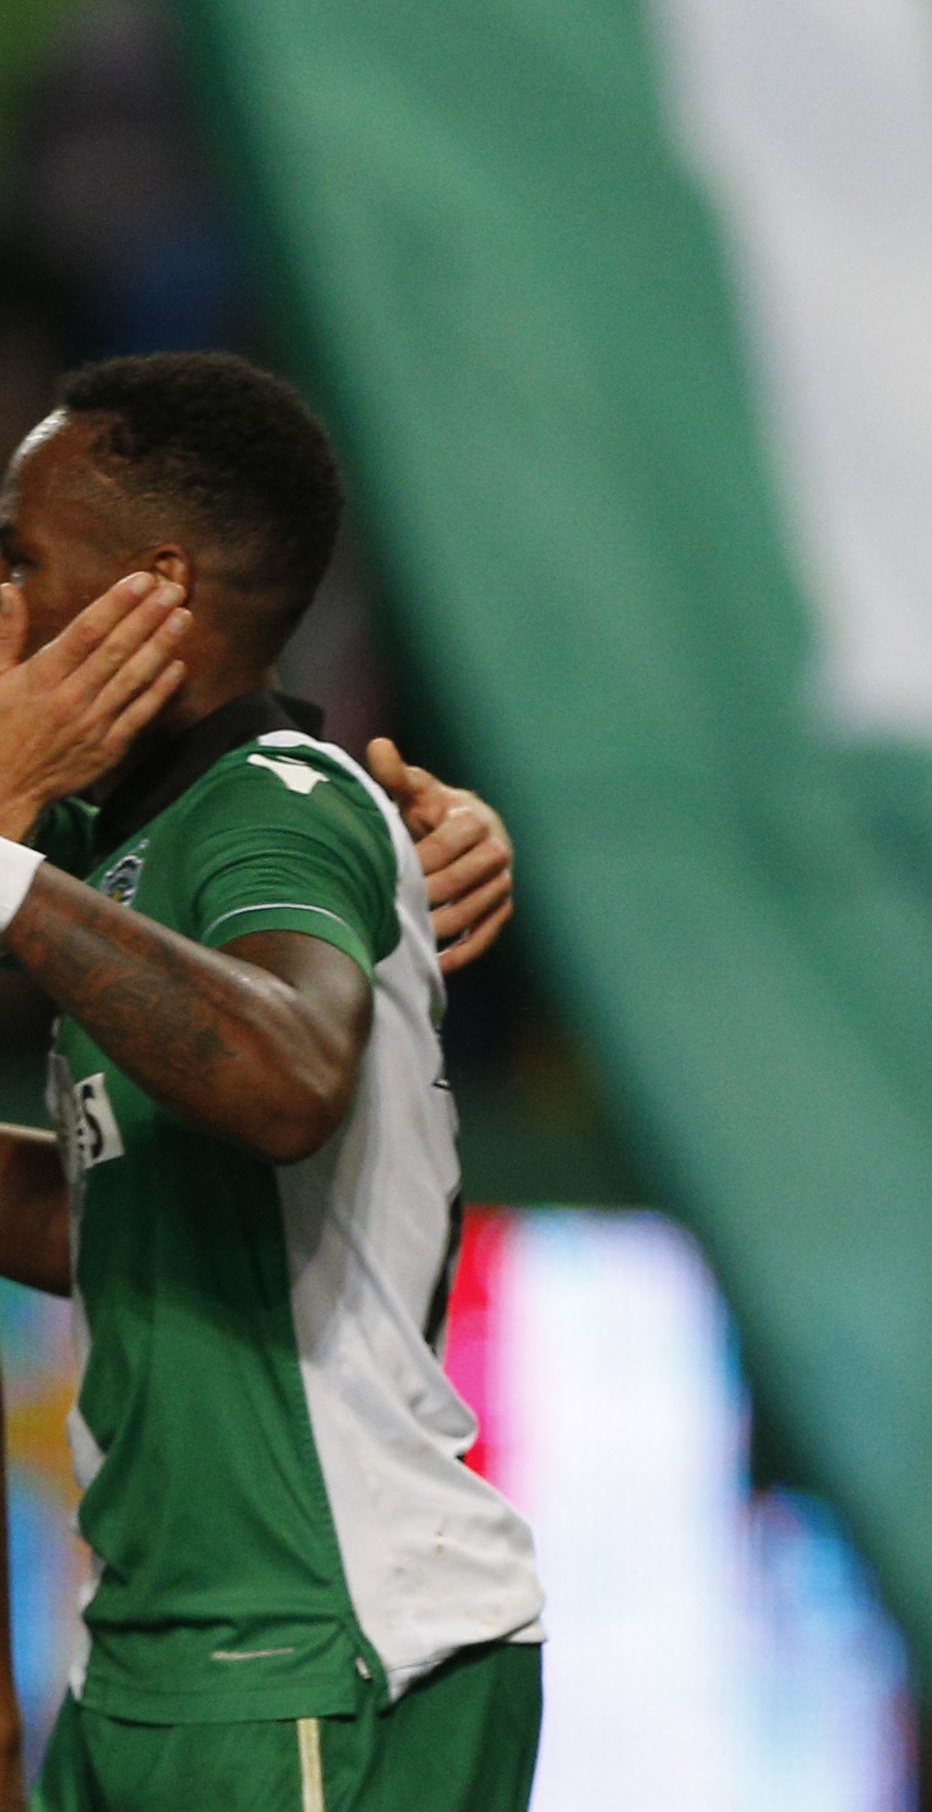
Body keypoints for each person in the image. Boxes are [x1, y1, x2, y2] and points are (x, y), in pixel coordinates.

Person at [0, 352, 542, 1812]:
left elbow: (290, 1076)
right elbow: (108, 1214)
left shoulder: (274, 815)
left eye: (18, 557)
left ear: (152, 591)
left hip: (315, 1650)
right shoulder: (122, 844)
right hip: (163, 1656)